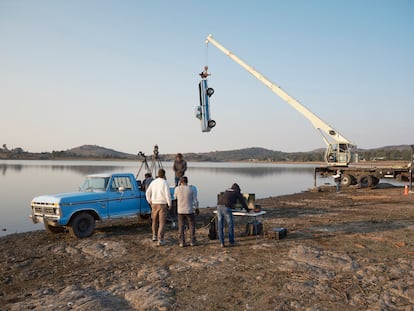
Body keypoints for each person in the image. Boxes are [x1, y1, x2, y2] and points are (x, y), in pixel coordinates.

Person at [216, 183, 248, 247]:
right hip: (226, 208)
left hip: (219, 207)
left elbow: (228, 199)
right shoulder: (236, 192)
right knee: (230, 224)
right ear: (238, 189)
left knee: (220, 225)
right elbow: (242, 201)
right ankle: (231, 241)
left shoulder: (227, 191)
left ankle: (222, 243)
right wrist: (248, 210)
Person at [145, 168, 172, 246]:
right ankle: (160, 239)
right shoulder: (165, 182)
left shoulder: (153, 182)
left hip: (154, 203)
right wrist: (169, 203)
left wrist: (149, 201)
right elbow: (167, 194)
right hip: (162, 204)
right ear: (164, 174)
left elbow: (147, 192)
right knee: (162, 222)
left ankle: (154, 236)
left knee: (154, 221)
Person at [174, 176, 199, 247]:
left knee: (181, 226)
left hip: (180, 210)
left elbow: (175, 197)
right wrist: (197, 208)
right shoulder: (191, 189)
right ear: (187, 181)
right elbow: (195, 200)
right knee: (191, 225)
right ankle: (192, 241)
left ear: (180, 182)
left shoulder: (177, 189)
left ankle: (182, 242)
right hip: (189, 210)